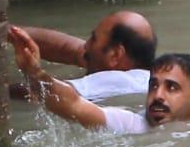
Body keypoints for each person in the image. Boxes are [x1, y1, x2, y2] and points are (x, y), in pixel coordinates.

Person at [8, 25, 190, 134]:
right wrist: (34, 72)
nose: (158, 95)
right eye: (153, 85)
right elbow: (73, 105)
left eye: (172, 88)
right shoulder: (132, 124)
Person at [10, 11, 156, 101]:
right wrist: (8, 32)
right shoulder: (150, 75)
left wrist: (31, 71)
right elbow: (70, 48)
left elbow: (46, 92)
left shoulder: (118, 80)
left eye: (93, 40)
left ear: (115, 56)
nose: (86, 45)